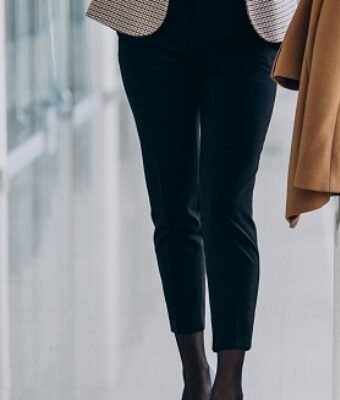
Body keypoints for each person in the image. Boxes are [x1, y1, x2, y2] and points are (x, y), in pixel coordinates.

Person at [84, 0, 296, 399]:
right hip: (152, 28)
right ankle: (194, 374)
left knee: (227, 205)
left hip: (248, 30)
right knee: (172, 208)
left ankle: (230, 383)